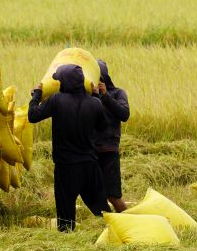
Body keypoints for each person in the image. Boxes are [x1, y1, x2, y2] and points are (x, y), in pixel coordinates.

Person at [28, 64, 107, 232]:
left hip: (66, 167)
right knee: (102, 210)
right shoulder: (95, 104)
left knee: (65, 215)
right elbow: (103, 128)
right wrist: (97, 98)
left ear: (65, 82)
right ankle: (114, 232)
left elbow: (33, 116)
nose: (58, 83)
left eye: (59, 80)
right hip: (90, 165)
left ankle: (67, 241)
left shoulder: (57, 100)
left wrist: (36, 95)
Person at [92, 59, 130, 213]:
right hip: (91, 151)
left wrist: (105, 95)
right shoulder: (87, 95)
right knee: (95, 194)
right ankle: (109, 223)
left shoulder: (118, 93)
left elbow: (124, 114)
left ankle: (129, 222)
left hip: (109, 150)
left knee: (113, 195)